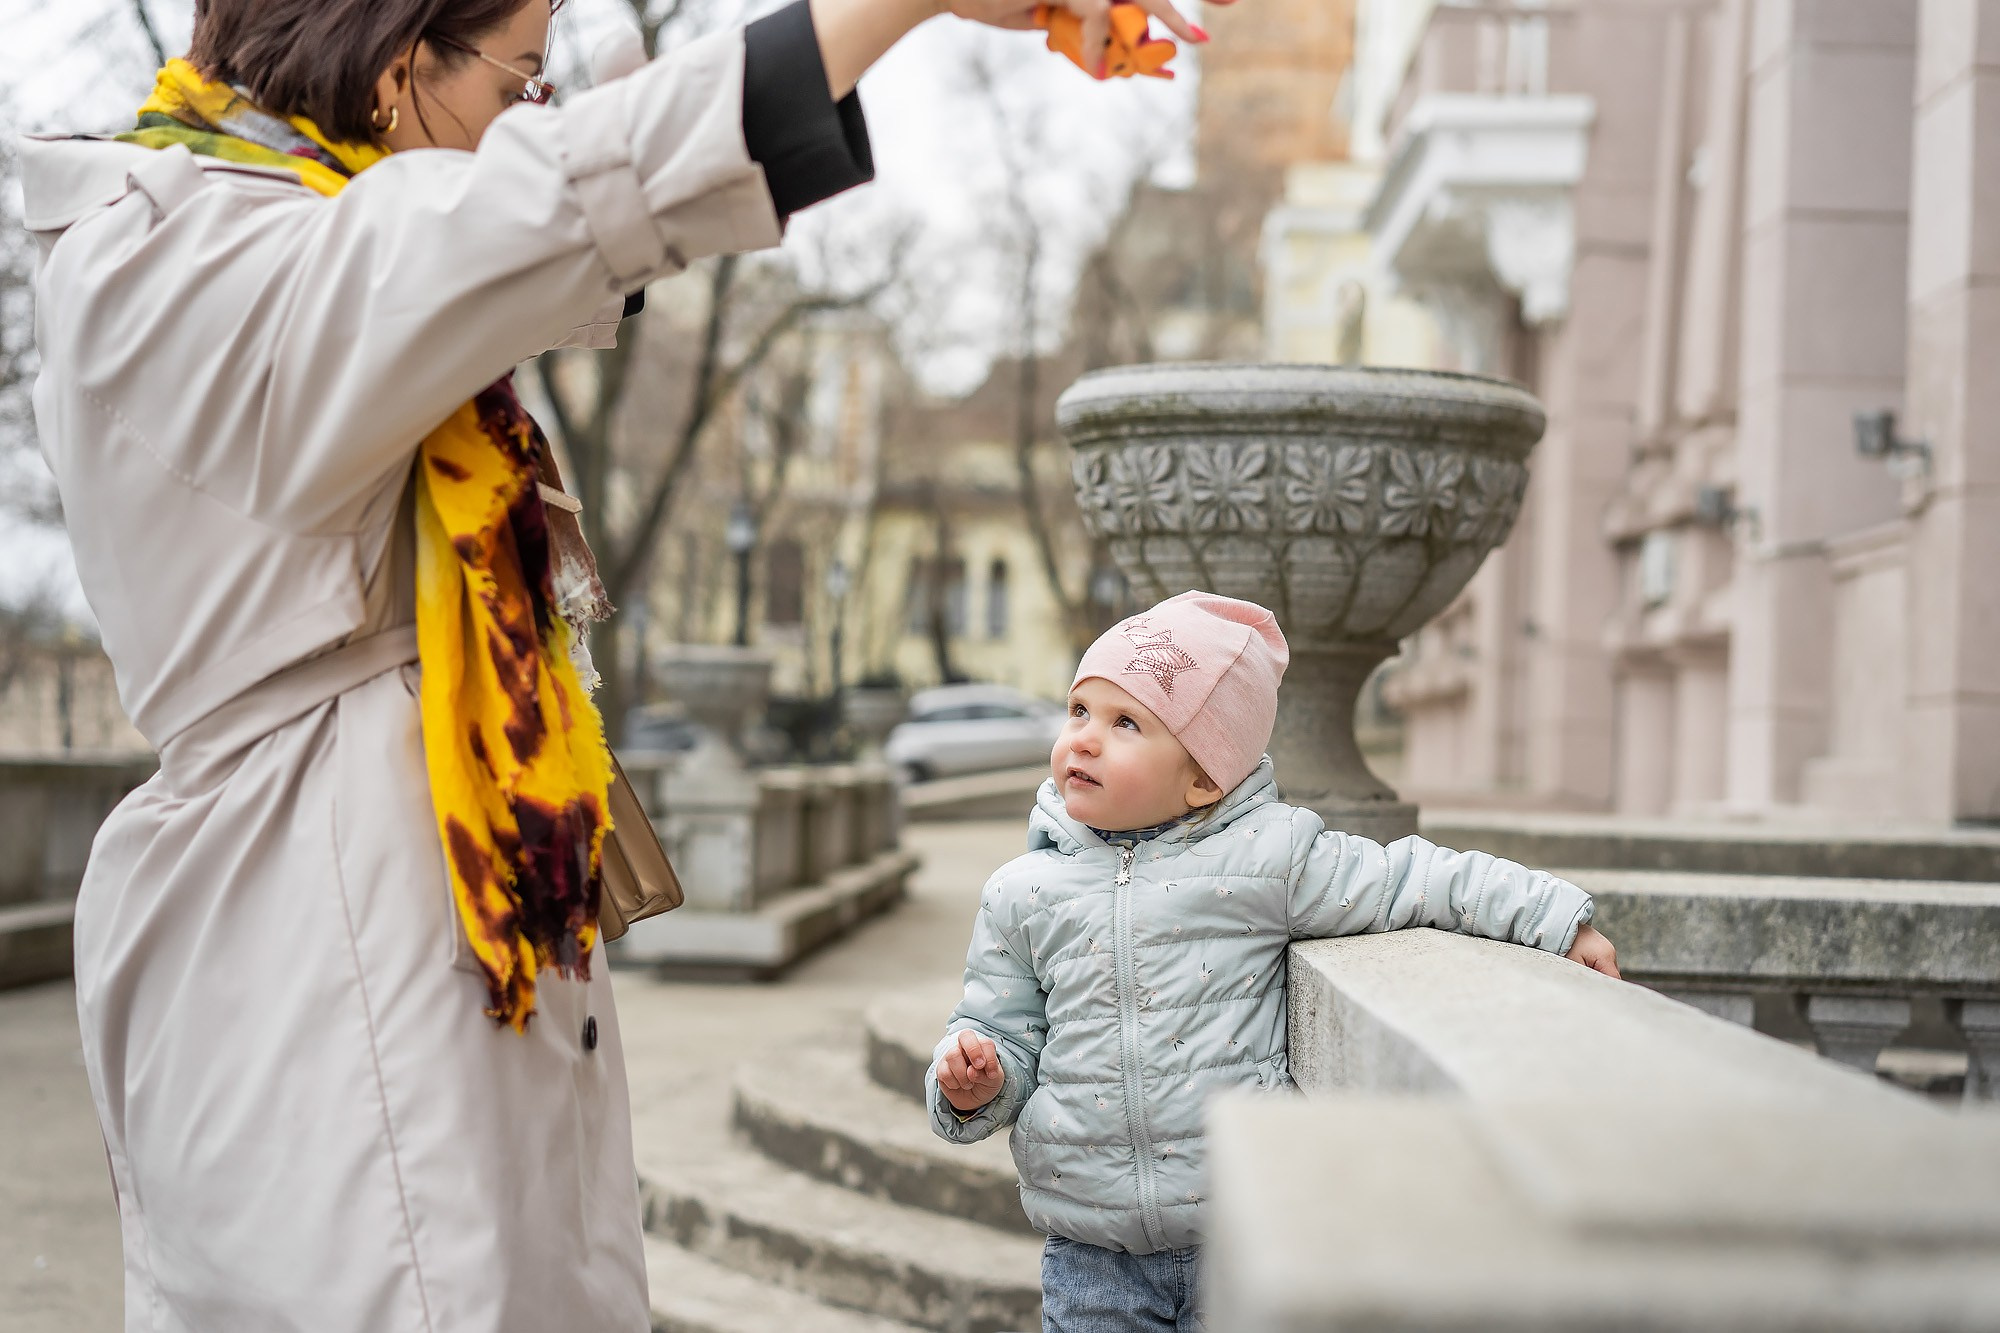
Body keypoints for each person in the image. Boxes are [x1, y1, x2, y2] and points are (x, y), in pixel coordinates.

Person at [20, 0, 1212, 1328]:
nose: (531, 120)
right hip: (306, 919)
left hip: (397, 883)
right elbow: (535, 216)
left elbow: (544, 219)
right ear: (397, 74)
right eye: (516, 78)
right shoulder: (191, 262)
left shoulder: (297, 231)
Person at [927, 591, 1621, 1332]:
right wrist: (975, 1082)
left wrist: (1552, 915)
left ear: (1204, 777)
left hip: (1244, 1233)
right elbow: (998, 1028)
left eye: (1126, 722)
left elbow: (1413, 879)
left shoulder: (1269, 859)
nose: (1085, 739)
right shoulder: (1023, 891)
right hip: (1092, 1252)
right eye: (1079, 711)